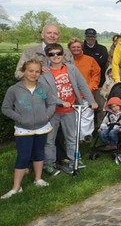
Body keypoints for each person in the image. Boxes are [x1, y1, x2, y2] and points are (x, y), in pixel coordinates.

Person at [1, 60, 57, 199]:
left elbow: (51, 103)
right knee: (23, 156)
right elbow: (6, 108)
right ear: (24, 71)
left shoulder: (43, 88)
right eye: (30, 70)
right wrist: (20, 118)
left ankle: (38, 179)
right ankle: (16, 187)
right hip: (23, 129)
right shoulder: (14, 90)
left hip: (42, 127)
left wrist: (47, 115)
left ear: (40, 73)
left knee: (39, 152)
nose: (33, 74)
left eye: (37, 71)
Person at [40, 43, 98, 174]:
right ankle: (49, 163)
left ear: (63, 55)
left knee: (72, 137)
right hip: (52, 112)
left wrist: (92, 101)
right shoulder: (44, 73)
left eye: (58, 53)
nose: (55, 56)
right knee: (50, 139)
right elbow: (45, 93)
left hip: (70, 110)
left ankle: (74, 160)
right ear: (47, 56)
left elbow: (82, 85)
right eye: (51, 54)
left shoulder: (71, 69)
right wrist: (60, 102)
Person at [68, 38, 101, 141]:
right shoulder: (65, 61)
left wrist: (90, 89)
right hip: (70, 94)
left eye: (78, 47)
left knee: (87, 116)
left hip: (86, 94)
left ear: (81, 47)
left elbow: (96, 75)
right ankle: (74, 137)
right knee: (73, 117)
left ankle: (86, 137)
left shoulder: (90, 60)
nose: (76, 49)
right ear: (69, 48)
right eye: (73, 47)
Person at [82, 28, 108, 124]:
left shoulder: (102, 49)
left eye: (92, 36)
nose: (90, 38)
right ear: (85, 36)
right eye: (88, 36)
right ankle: (86, 129)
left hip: (99, 83)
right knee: (86, 107)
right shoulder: (81, 48)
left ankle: (100, 127)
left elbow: (102, 62)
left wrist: (88, 62)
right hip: (83, 83)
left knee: (101, 106)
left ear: (95, 37)